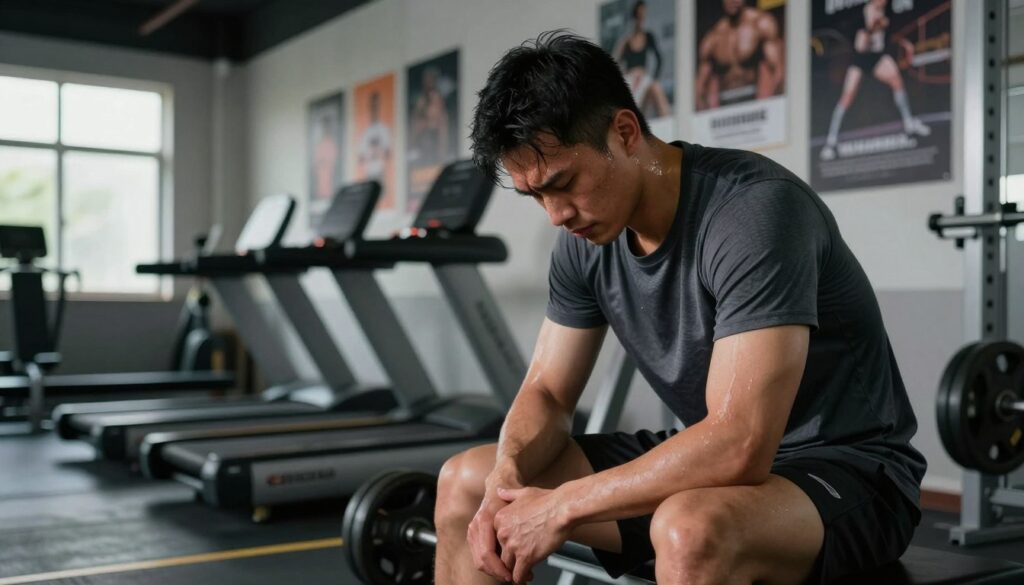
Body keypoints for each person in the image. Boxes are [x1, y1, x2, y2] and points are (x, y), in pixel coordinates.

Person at [435, 31, 925, 585]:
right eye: (536, 196)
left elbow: (740, 442)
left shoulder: (753, 214)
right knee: (465, 482)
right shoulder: (581, 241)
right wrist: (508, 472)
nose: (555, 214)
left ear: (624, 132)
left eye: (563, 183)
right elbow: (547, 391)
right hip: (715, 464)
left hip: (848, 471)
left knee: (688, 529)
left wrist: (563, 504)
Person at [820, 0, 930, 161]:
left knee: (897, 81)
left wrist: (903, 43)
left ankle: (909, 124)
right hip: (860, 60)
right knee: (847, 97)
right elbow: (861, 47)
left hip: (877, 58)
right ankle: (830, 142)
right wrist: (871, 28)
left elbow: (888, 36)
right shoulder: (863, 13)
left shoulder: (888, 10)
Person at [695, 0, 784, 111]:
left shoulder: (760, 24)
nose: (732, 1)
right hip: (724, 112)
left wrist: (770, 108)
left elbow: (779, 72)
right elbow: (699, 90)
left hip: (756, 106)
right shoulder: (713, 38)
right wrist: (707, 120)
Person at [612, 1, 671, 118]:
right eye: (639, 15)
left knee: (656, 89)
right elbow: (614, 64)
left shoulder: (648, 36)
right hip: (630, 81)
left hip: (643, 79)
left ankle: (667, 125)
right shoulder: (625, 41)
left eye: (643, 15)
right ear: (635, 17)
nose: (641, 19)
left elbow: (659, 58)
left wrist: (654, 76)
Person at [357, 90, 392, 185]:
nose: (374, 108)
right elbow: (360, 158)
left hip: (380, 173)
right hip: (369, 175)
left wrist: (378, 152)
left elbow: (389, 153)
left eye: (376, 105)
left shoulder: (384, 130)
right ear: (369, 107)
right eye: (372, 105)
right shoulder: (365, 133)